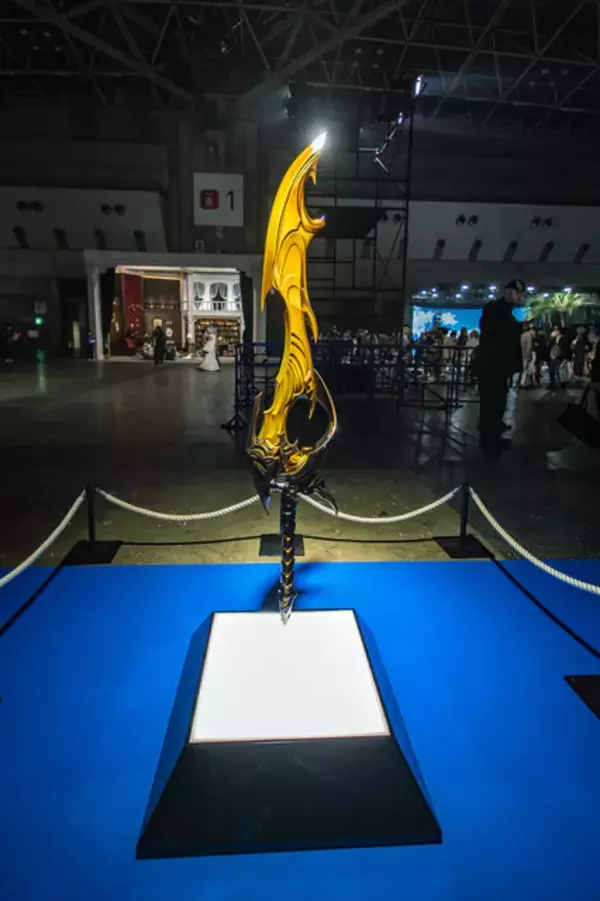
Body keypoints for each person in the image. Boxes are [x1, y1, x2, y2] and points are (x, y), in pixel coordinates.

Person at [477, 278, 523, 452]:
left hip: (498, 368)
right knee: (492, 404)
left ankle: (491, 439)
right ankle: (489, 443)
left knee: (496, 404)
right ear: (509, 292)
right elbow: (493, 337)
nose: (519, 296)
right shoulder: (495, 309)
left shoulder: (504, 312)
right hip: (494, 367)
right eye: (517, 292)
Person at [548, 325, 570, 390]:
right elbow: (548, 345)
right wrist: (551, 337)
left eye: (556, 329)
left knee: (559, 371)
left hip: (560, 357)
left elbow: (565, 348)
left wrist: (565, 357)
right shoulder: (553, 338)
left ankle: (562, 383)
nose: (555, 331)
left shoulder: (564, 338)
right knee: (551, 371)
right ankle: (552, 384)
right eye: (554, 329)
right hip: (552, 356)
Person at [519, 321, 535, 389]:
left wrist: (528, 357)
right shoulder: (523, 334)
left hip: (525, 356)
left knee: (525, 370)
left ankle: (523, 384)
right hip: (523, 356)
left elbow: (529, 346)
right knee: (526, 371)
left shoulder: (527, 335)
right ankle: (527, 384)